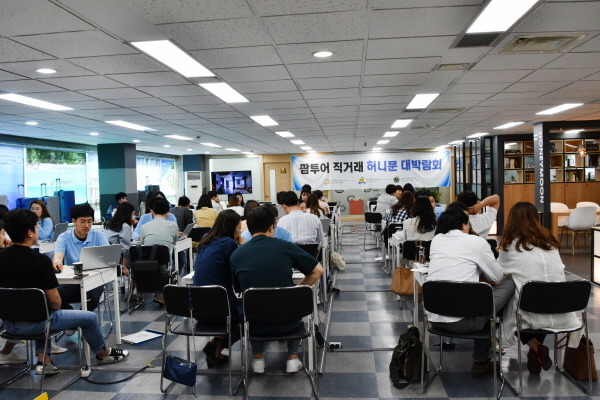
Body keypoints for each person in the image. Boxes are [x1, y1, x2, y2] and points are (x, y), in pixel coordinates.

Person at [1, 209, 128, 375]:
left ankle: (44, 362)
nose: (38, 230)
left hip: (8, 325)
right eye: (36, 227)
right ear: (30, 232)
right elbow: (55, 301)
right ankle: (103, 354)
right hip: (37, 324)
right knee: (89, 317)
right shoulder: (40, 261)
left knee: (42, 311)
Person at [230, 206, 324, 374]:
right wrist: (296, 290)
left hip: (254, 324)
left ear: (248, 228)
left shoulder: (236, 254)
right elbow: (318, 270)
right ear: (272, 226)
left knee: (251, 303)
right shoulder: (285, 246)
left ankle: (258, 360)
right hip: (288, 322)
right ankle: (292, 359)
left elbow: (238, 288)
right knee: (294, 303)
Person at [427, 208, 515, 377]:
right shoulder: (477, 242)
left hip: (434, 318)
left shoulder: (436, 240)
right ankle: (481, 360)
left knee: (482, 300)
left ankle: (482, 360)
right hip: (463, 322)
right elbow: (497, 276)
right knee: (507, 286)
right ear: (464, 225)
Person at [499, 202, 582, 375]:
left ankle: (537, 347)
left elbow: (500, 274)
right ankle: (534, 352)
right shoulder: (550, 243)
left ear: (512, 220)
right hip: (562, 308)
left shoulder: (510, 246)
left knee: (510, 303)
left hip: (531, 310)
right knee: (539, 296)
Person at [193, 210, 245, 367]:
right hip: (222, 310)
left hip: (198, 309)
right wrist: (242, 244)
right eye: (239, 228)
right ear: (231, 227)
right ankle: (216, 345)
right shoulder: (229, 244)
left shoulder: (205, 239)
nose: (240, 232)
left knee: (232, 308)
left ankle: (215, 350)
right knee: (251, 313)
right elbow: (242, 268)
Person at [53, 204, 108, 312]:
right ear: (73, 221)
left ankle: (83, 318)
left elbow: (107, 256)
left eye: (90, 221)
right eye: (82, 222)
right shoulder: (64, 237)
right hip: (72, 280)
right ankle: (74, 316)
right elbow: (58, 257)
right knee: (54, 296)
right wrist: (57, 263)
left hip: (95, 279)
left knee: (93, 297)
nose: (86, 225)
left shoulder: (99, 235)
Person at [140, 199, 179, 304]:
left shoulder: (144, 227)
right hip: (164, 267)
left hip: (145, 267)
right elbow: (175, 241)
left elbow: (142, 245)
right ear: (167, 213)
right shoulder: (173, 226)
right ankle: (165, 291)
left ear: (152, 212)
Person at [104, 201, 135, 272]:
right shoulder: (125, 226)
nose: (133, 216)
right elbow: (126, 248)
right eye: (132, 214)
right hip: (117, 258)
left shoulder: (110, 222)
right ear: (128, 214)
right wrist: (123, 268)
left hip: (106, 255)